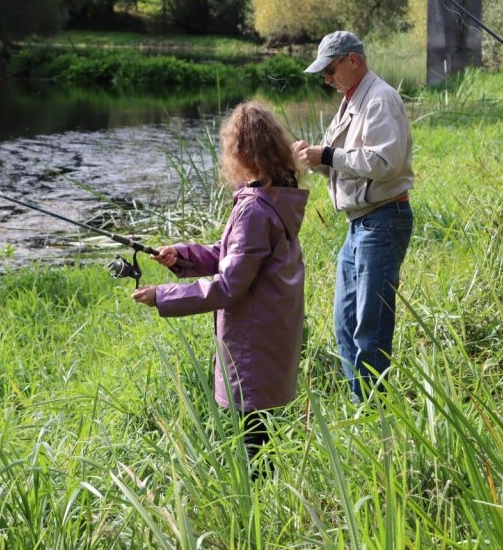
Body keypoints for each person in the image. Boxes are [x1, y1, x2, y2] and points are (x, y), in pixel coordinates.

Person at [131, 102, 308, 474]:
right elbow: (234, 255)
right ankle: (270, 509)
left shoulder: (254, 209)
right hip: (272, 335)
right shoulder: (276, 195)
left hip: (253, 344)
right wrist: (180, 257)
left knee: (254, 446)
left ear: (241, 152)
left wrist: (162, 296)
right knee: (264, 440)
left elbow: (229, 285)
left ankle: (259, 521)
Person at [292, 30, 414, 400]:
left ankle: (376, 412)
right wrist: (314, 160)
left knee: (370, 327)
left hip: (383, 220)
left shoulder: (380, 99)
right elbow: (346, 166)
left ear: (353, 61)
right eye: (323, 74)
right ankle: (361, 404)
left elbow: (384, 163)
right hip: (358, 225)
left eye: (330, 70)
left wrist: (327, 156)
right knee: (345, 324)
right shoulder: (350, 101)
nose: (326, 79)